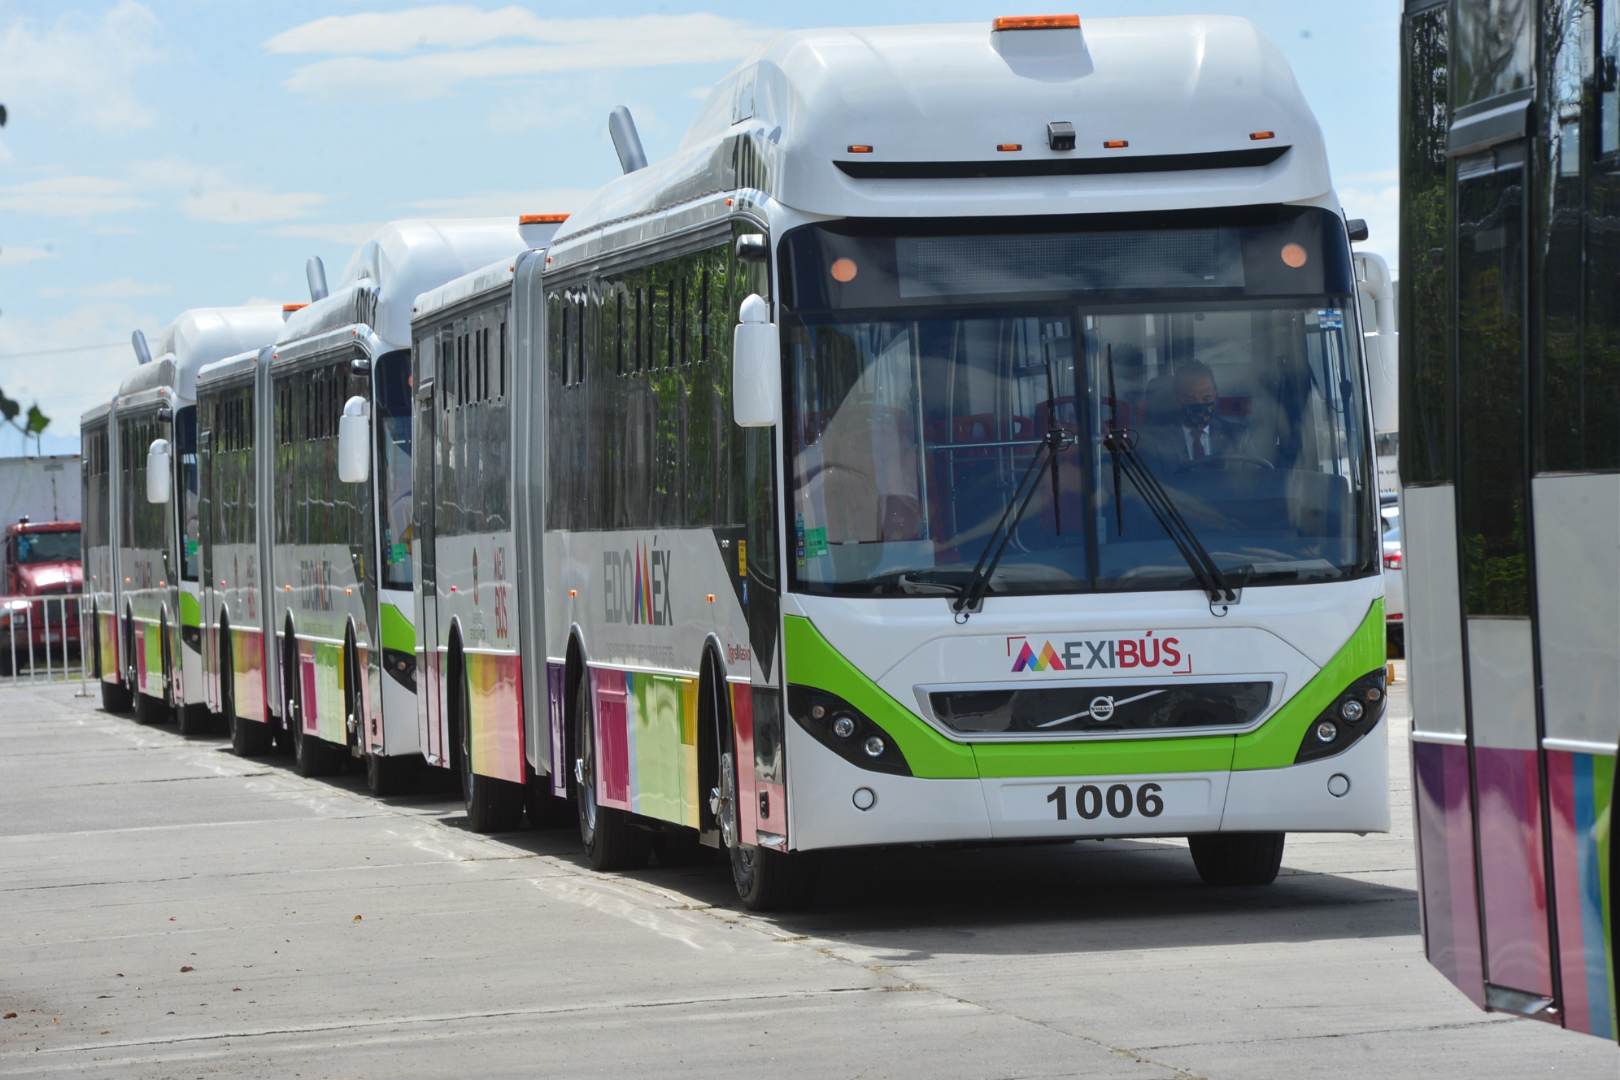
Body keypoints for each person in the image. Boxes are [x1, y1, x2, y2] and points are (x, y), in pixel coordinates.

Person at [1145, 361, 1250, 468]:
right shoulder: (1157, 443)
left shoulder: (1237, 437)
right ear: (1177, 399)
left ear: (1215, 396)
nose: (1199, 404)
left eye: (1206, 398)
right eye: (1190, 399)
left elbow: (1253, 478)